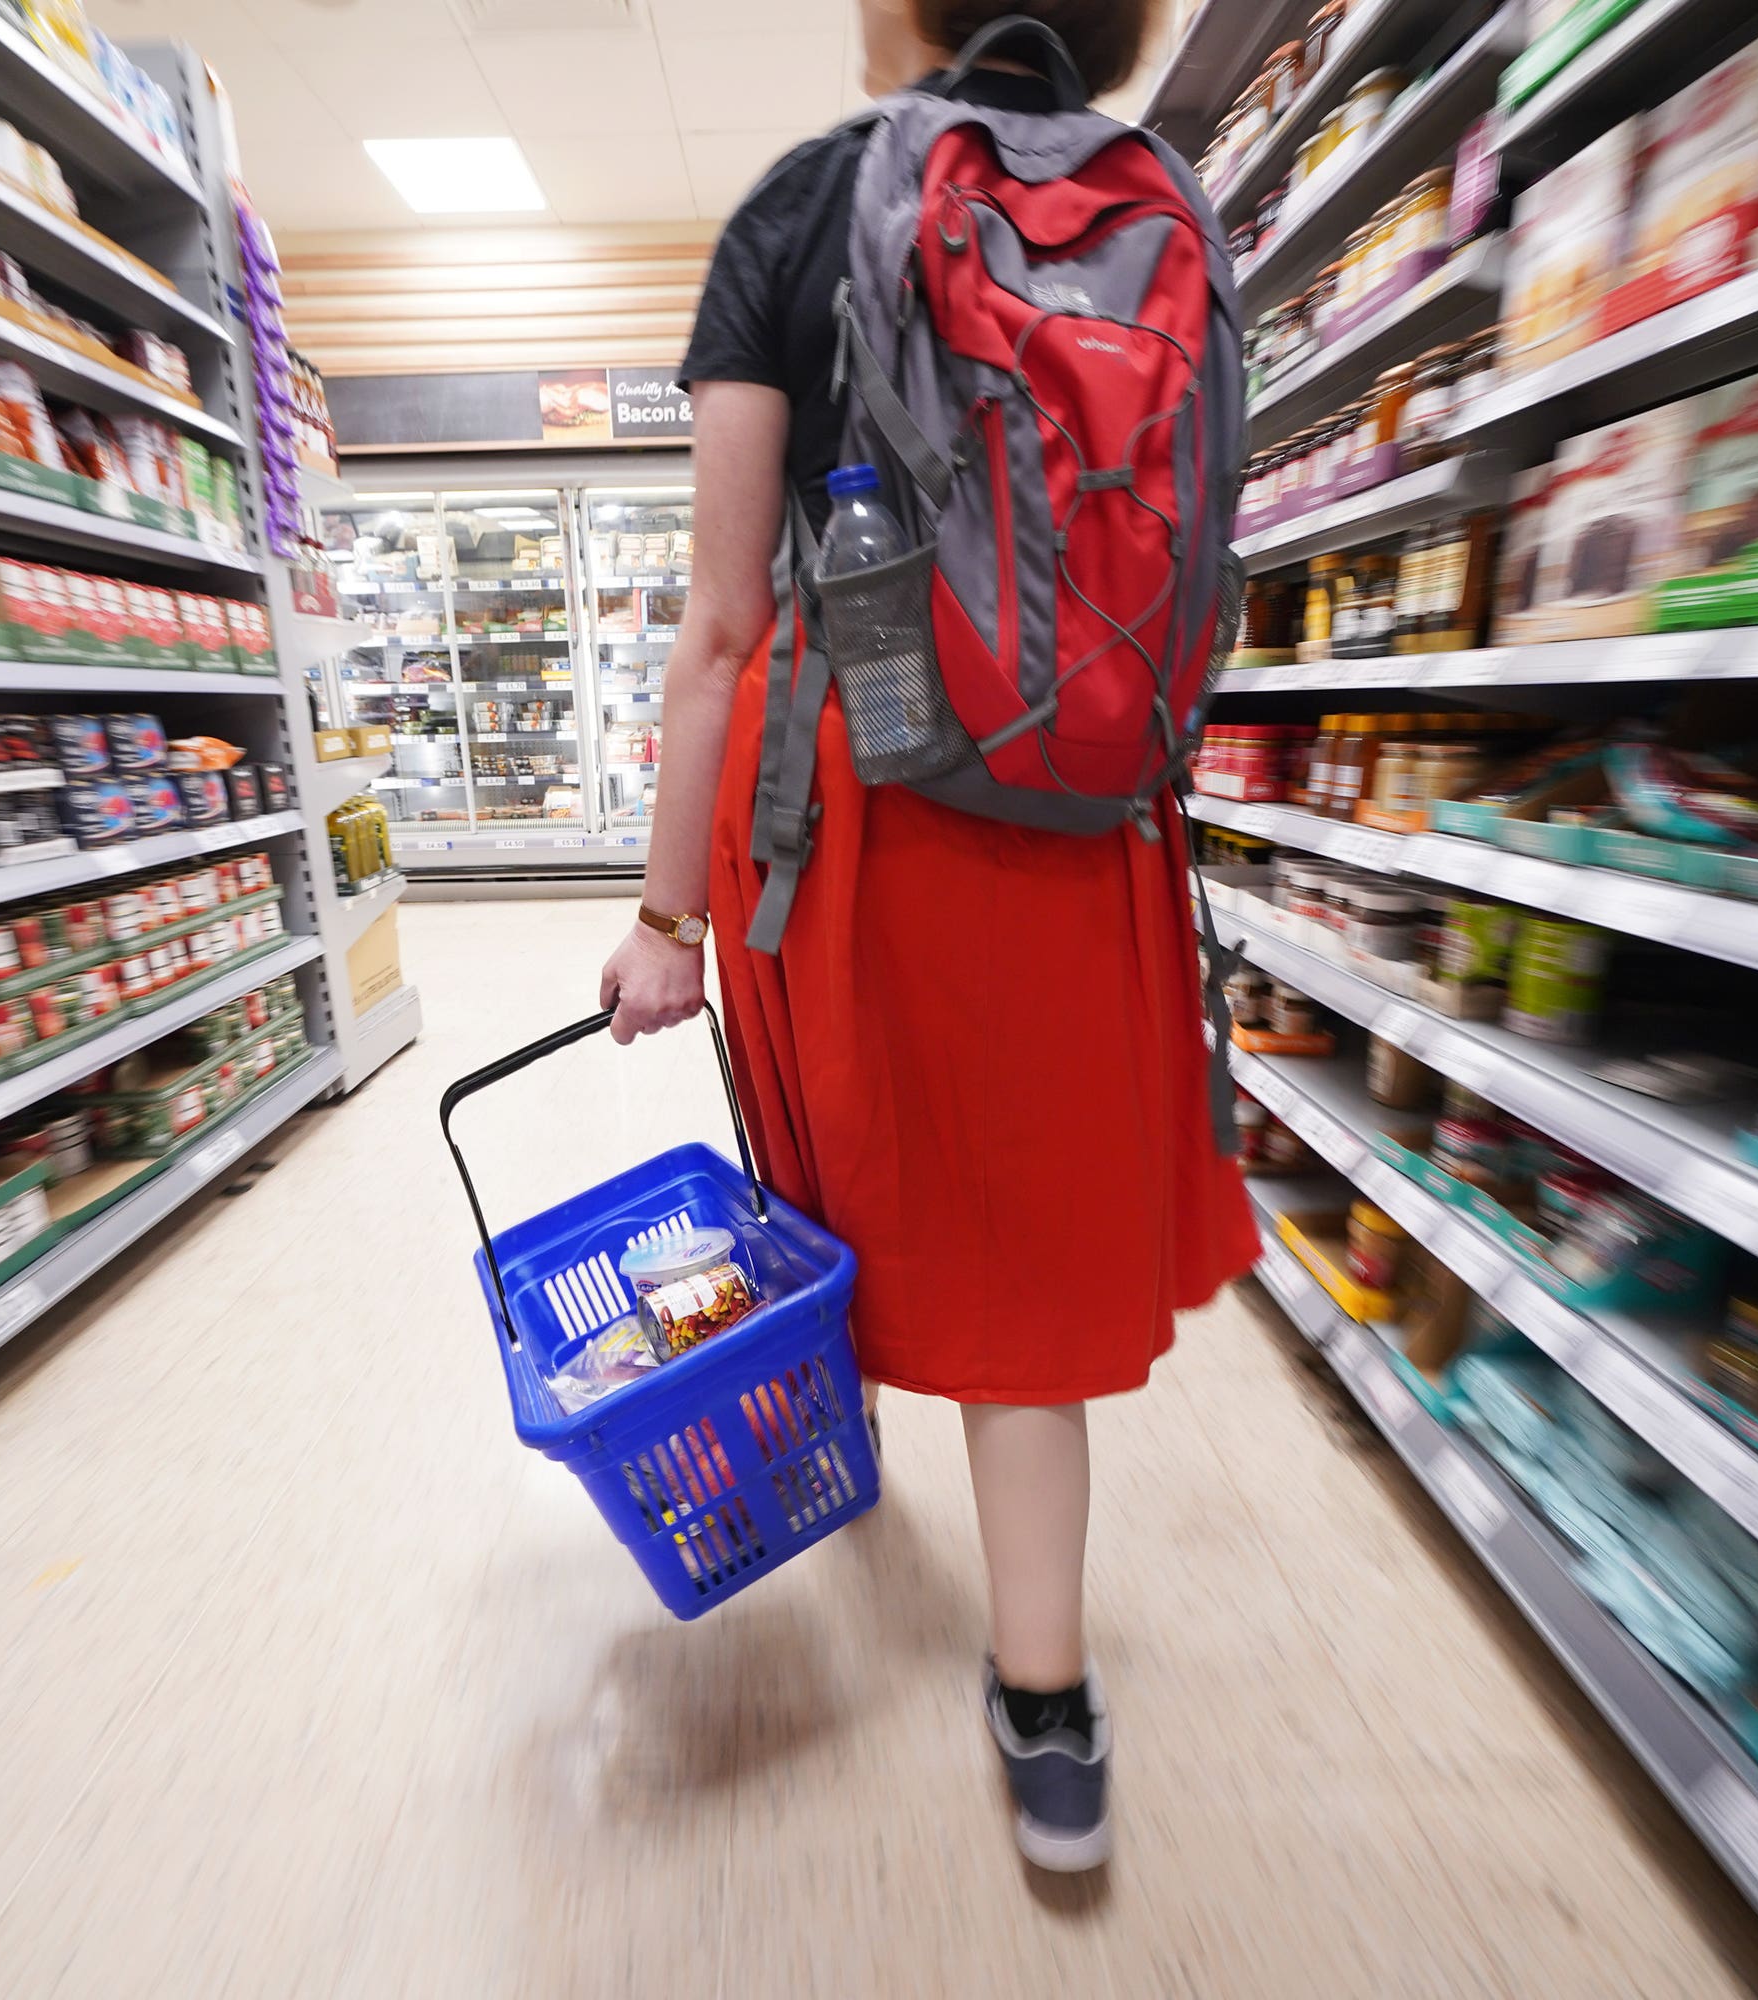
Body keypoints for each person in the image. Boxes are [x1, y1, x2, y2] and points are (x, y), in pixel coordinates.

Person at [596, 0, 1255, 1873]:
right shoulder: (1175, 215)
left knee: (845, 1179)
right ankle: (1046, 1709)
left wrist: (663, 917)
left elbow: (724, 625)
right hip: (1080, 810)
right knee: (1029, 1259)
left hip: (853, 802)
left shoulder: (804, 209)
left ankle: (841, 1457)